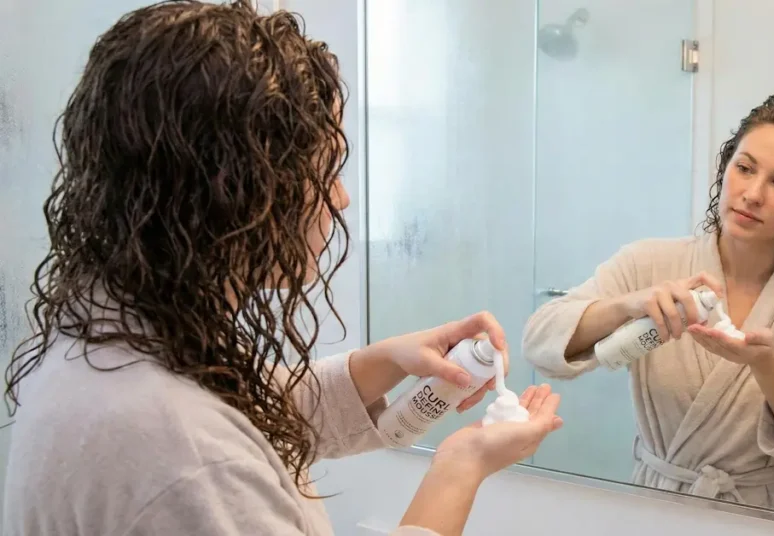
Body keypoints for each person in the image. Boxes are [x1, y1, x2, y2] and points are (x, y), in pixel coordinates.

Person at [2, 2, 562, 535]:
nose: (341, 199)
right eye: (326, 172)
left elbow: (247, 408)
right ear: (235, 191)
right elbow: (213, 445)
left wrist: (382, 361)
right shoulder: (182, 455)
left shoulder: (112, 340)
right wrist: (459, 468)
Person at [522, 95, 774, 515]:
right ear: (724, 168)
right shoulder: (648, 263)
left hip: (769, 515)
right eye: (744, 168)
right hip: (660, 506)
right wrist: (626, 306)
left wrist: (767, 366)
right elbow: (539, 342)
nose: (752, 194)